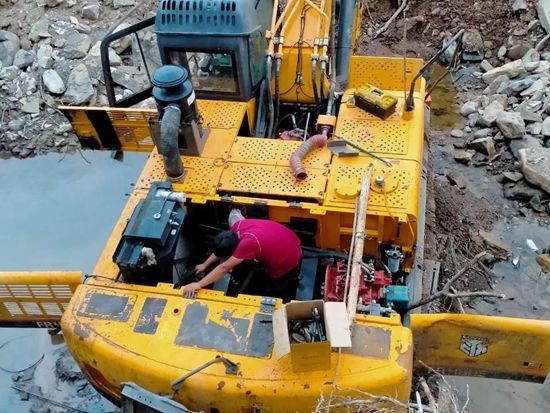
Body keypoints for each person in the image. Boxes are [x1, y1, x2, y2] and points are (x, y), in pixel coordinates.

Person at [183, 209, 302, 298]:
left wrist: (198, 285)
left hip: (288, 258)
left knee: (275, 284)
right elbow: (221, 250)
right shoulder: (237, 226)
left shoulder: (248, 244)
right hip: (288, 239)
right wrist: (204, 264)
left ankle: (274, 293)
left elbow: (224, 268)